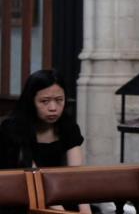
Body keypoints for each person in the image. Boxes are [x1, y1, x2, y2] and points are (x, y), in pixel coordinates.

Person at [0, 69, 89, 213]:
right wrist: (61, 212)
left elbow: (76, 175)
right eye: (44, 101)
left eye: (59, 100)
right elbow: (34, 179)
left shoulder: (68, 125)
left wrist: (85, 210)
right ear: (31, 101)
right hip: (19, 196)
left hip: (57, 192)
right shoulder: (13, 127)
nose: (53, 108)